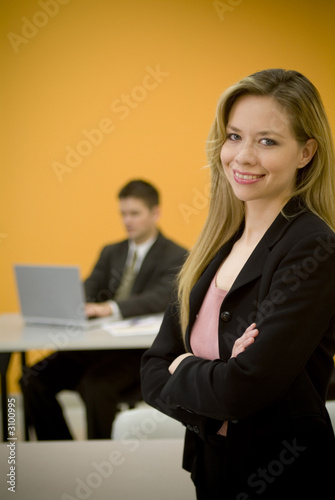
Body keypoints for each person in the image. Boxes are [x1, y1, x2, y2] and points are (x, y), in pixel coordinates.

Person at [141, 69, 335, 499]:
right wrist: (213, 379)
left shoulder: (314, 247)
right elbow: (152, 370)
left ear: (306, 152)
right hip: (211, 467)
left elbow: (243, 390)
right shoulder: (216, 244)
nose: (243, 156)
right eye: (234, 137)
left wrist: (185, 367)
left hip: (285, 478)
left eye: (267, 141)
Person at [20, 179, 187, 440]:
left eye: (134, 213)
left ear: (155, 213)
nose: (127, 221)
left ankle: (95, 460)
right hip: (95, 346)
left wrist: (108, 308)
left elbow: (160, 297)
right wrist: (75, 303)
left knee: (95, 386)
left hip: (136, 353)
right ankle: (61, 448)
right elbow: (90, 286)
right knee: (32, 378)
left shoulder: (176, 255)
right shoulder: (112, 252)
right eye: (123, 214)